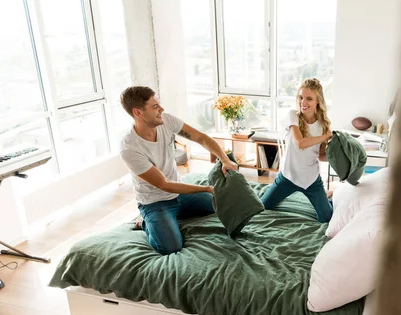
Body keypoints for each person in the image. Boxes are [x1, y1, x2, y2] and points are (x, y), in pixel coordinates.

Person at [119, 86, 237, 255]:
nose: (161, 109)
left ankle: (171, 217)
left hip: (179, 194)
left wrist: (224, 160)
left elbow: (200, 137)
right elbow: (164, 184)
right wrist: (207, 189)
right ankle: (146, 220)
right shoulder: (130, 148)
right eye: (154, 107)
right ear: (138, 113)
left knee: (219, 202)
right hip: (155, 202)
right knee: (170, 247)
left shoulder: (166, 121)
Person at [260, 78, 333, 222]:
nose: (303, 103)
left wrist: (337, 155)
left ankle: (328, 194)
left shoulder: (323, 125)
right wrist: (325, 137)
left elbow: (321, 156)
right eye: (301, 97)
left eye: (309, 99)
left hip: (311, 180)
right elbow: (300, 143)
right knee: (262, 207)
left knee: (326, 217)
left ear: (318, 101)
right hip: (288, 177)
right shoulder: (293, 115)